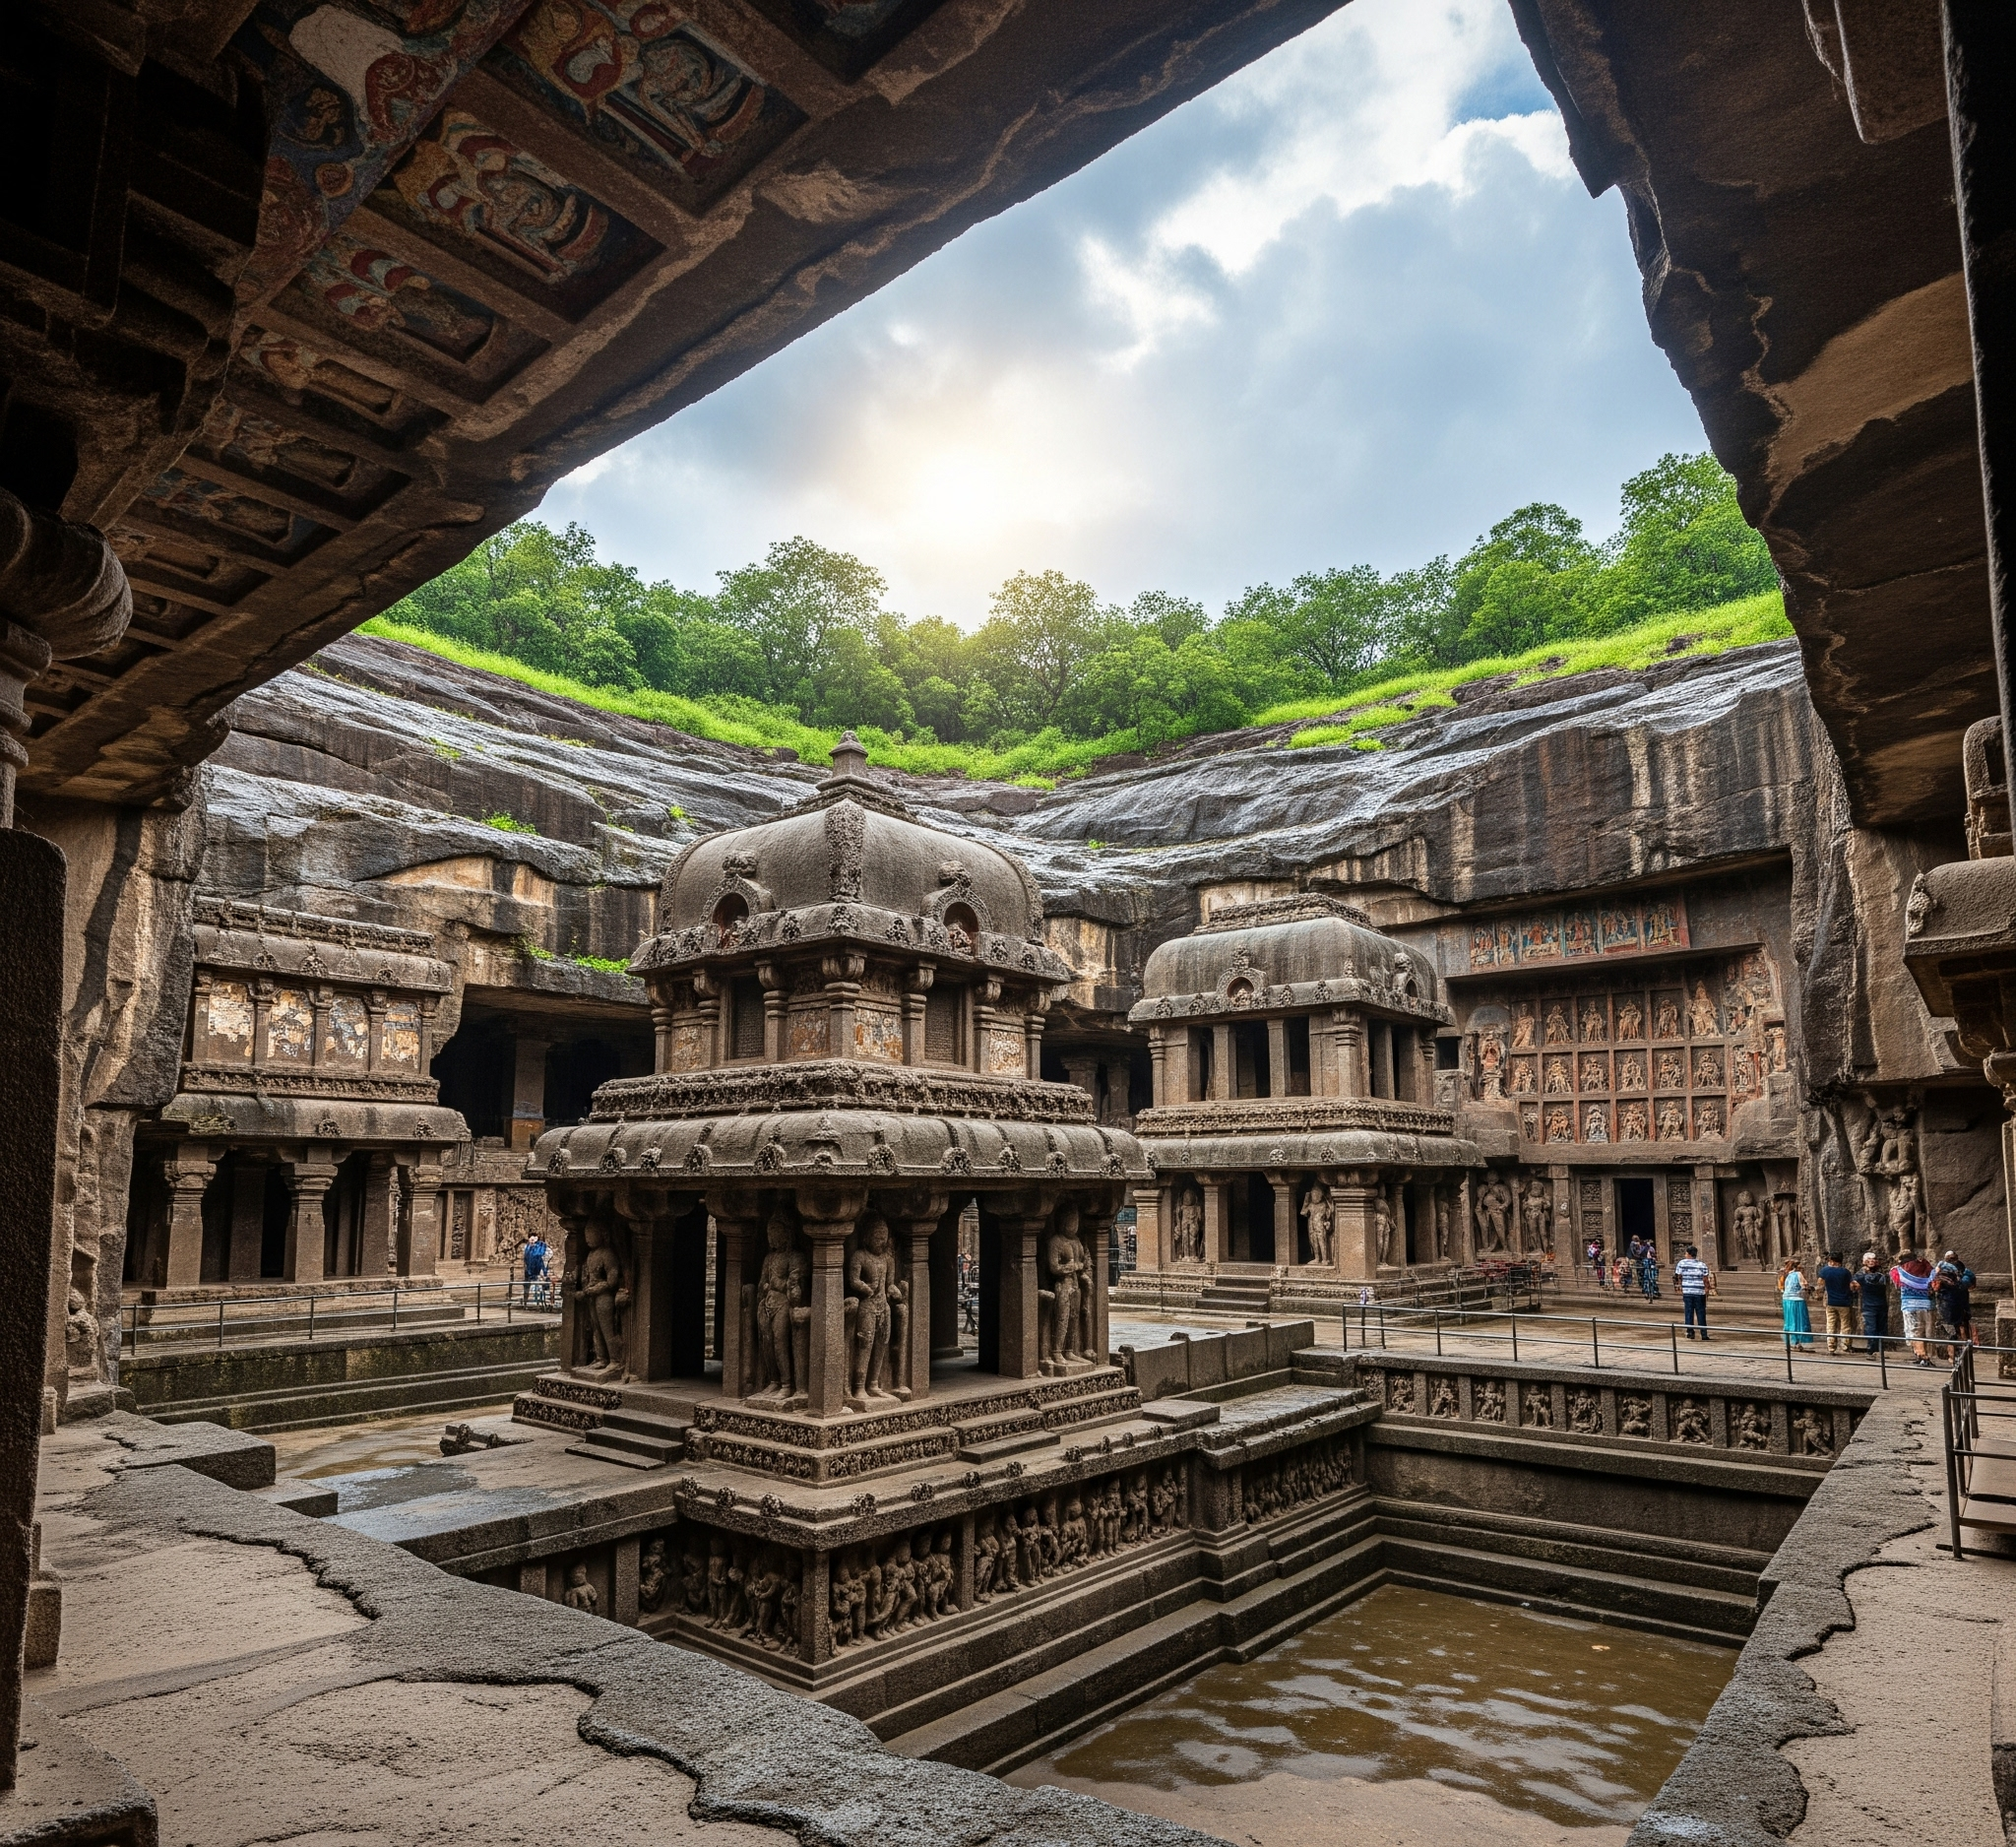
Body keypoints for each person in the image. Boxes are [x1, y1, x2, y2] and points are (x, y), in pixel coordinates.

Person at [1892, 1248, 1937, 1368]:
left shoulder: (1898, 1270)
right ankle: (1924, 1355)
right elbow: (1934, 1280)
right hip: (1928, 1305)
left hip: (1910, 1304)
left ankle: (1922, 1356)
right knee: (1927, 1332)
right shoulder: (1926, 1267)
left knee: (1915, 1332)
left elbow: (1897, 1284)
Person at [1935, 1248, 1978, 1362]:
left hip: (1947, 1304)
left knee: (1951, 1330)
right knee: (1962, 1327)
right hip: (1962, 1303)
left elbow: (1935, 1287)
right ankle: (1965, 1353)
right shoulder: (1966, 1272)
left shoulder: (1942, 1273)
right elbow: (1973, 1286)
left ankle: (1952, 1357)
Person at [1851, 1249, 1889, 1360]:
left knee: (1876, 1328)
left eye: (1873, 1260)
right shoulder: (1864, 1275)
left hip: (1876, 1305)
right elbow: (1854, 1288)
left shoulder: (1875, 1274)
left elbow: (1854, 1287)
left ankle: (1875, 1349)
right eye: (1869, 1260)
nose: (1872, 1262)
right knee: (1874, 1328)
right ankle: (1874, 1350)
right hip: (1874, 1305)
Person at [1816, 1251, 1855, 1355]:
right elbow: (1852, 1286)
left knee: (1831, 1324)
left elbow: (1820, 1283)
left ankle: (1831, 1347)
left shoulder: (1825, 1271)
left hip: (1831, 1302)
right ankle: (1846, 1345)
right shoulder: (1846, 1272)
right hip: (1844, 1302)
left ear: (1832, 1261)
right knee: (1845, 1325)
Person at [1674, 1242, 1713, 1340]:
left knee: (1688, 1312)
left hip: (1687, 1291)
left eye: (1685, 1253)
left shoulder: (1681, 1263)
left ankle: (1690, 1332)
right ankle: (1704, 1334)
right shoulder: (1702, 1265)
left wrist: (1679, 1287)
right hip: (1699, 1292)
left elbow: (1677, 1276)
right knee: (1701, 1313)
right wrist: (1707, 1289)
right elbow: (1705, 1279)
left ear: (1688, 1254)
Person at [1779, 1258, 1812, 1350]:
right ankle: (1797, 1342)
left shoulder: (1785, 1275)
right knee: (1799, 1321)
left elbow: (1781, 1287)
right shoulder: (1798, 1274)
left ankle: (1789, 1342)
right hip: (1797, 1300)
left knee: (1789, 1321)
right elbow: (1804, 1285)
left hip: (1786, 1300)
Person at [523, 1233, 548, 1306]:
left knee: (540, 1286)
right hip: (528, 1269)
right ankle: (525, 1302)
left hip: (539, 1268)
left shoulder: (541, 1246)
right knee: (527, 1286)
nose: (532, 1240)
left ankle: (541, 1303)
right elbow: (525, 1259)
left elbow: (546, 1256)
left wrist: (544, 1266)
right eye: (531, 1238)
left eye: (534, 1238)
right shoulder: (527, 1247)